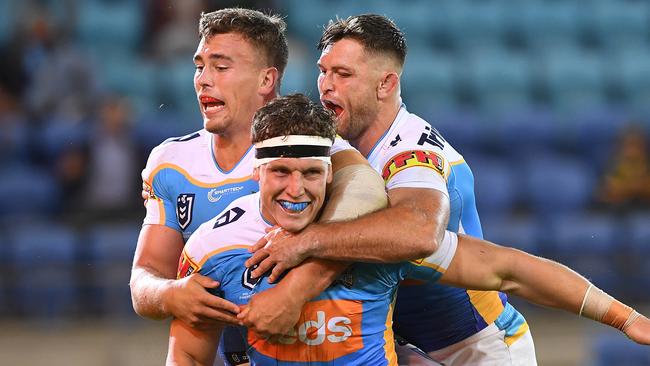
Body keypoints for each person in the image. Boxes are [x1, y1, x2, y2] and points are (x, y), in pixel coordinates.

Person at [168, 93, 650, 366]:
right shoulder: (213, 245)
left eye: (311, 173)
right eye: (281, 172)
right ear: (256, 171)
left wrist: (624, 319)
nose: (296, 189)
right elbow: (188, 353)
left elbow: (508, 270)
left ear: (331, 173)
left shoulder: (372, 239)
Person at [241, 14, 526, 364]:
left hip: (473, 345)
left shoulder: (410, 150)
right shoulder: (334, 146)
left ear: (386, 85)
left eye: (343, 74)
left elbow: (419, 232)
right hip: (400, 341)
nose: (326, 85)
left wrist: (305, 241)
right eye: (323, 70)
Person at [130, 8, 394, 366]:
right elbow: (144, 278)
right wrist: (169, 294)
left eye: (221, 67)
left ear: (266, 80)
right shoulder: (170, 162)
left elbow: (367, 191)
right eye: (199, 66)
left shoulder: (310, 147)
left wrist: (298, 277)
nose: (203, 80)